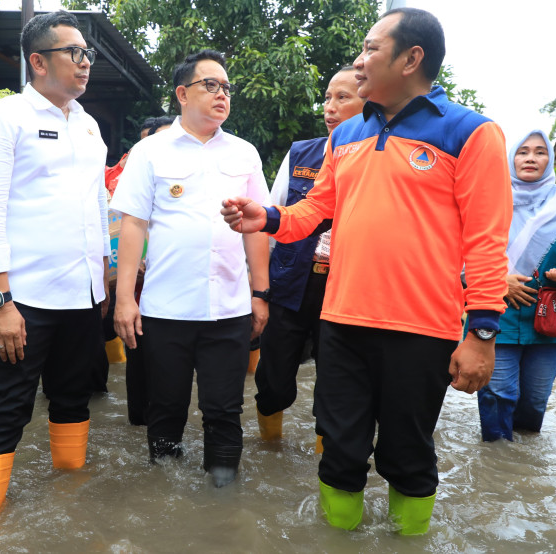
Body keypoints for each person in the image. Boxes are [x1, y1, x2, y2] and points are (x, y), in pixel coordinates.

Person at [221, 8, 512, 534]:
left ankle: (407, 542)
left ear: (411, 59)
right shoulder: (346, 135)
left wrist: (483, 333)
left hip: (422, 329)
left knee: (408, 454)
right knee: (340, 451)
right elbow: (316, 209)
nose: (358, 62)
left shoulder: (471, 133)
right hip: (343, 322)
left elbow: (487, 243)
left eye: (371, 49)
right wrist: (266, 217)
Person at [0, 10, 109, 526]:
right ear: (38, 61)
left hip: (82, 298)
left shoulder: (89, 126)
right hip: (23, 300)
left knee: (73, 399)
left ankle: (69, 501)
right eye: (76, 53)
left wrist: (105, 279)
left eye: (88, 53)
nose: (86, 62)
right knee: (6, 408)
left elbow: (97, 208)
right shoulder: (2, 120)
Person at [111, 49, 270, 487]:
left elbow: (258, 229)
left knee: (224, 410)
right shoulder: (150, 151)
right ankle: (165, 497)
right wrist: (125, 299)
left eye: (226, 88)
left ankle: (221, 505)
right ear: (182, 93)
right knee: (166, 407)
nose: (222, 95)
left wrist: (261, 294)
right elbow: (133, 224)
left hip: (230, 310)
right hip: (166, 312)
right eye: (210, 85)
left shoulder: (244, 153)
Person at [255, 65, 365, 443]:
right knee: (273, 382)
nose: (329, 108)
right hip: (291, 286)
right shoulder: (301, 153)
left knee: (336, 389)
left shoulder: (379, 157)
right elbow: (274, 215)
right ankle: (270, 452)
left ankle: (328, 460)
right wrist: (261, 290)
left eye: (343, 97)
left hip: (347, 291)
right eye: (327, 98)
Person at [477, 130, 556, 442]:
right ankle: (497, 463)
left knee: (536, 399)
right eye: (522, 151)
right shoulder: (487, 201)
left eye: (540, 152)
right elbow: (460, 254)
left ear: (549, 159)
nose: (530, 158)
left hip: (551, 315)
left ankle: (523, 466)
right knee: (498, 394)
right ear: (510, 158)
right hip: (496, 312)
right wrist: (497, 280)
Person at [102, 115, 174, 425]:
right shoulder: (118, 176)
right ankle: (141, 420)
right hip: (137, 288)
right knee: (139, 353)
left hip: (176, 289)